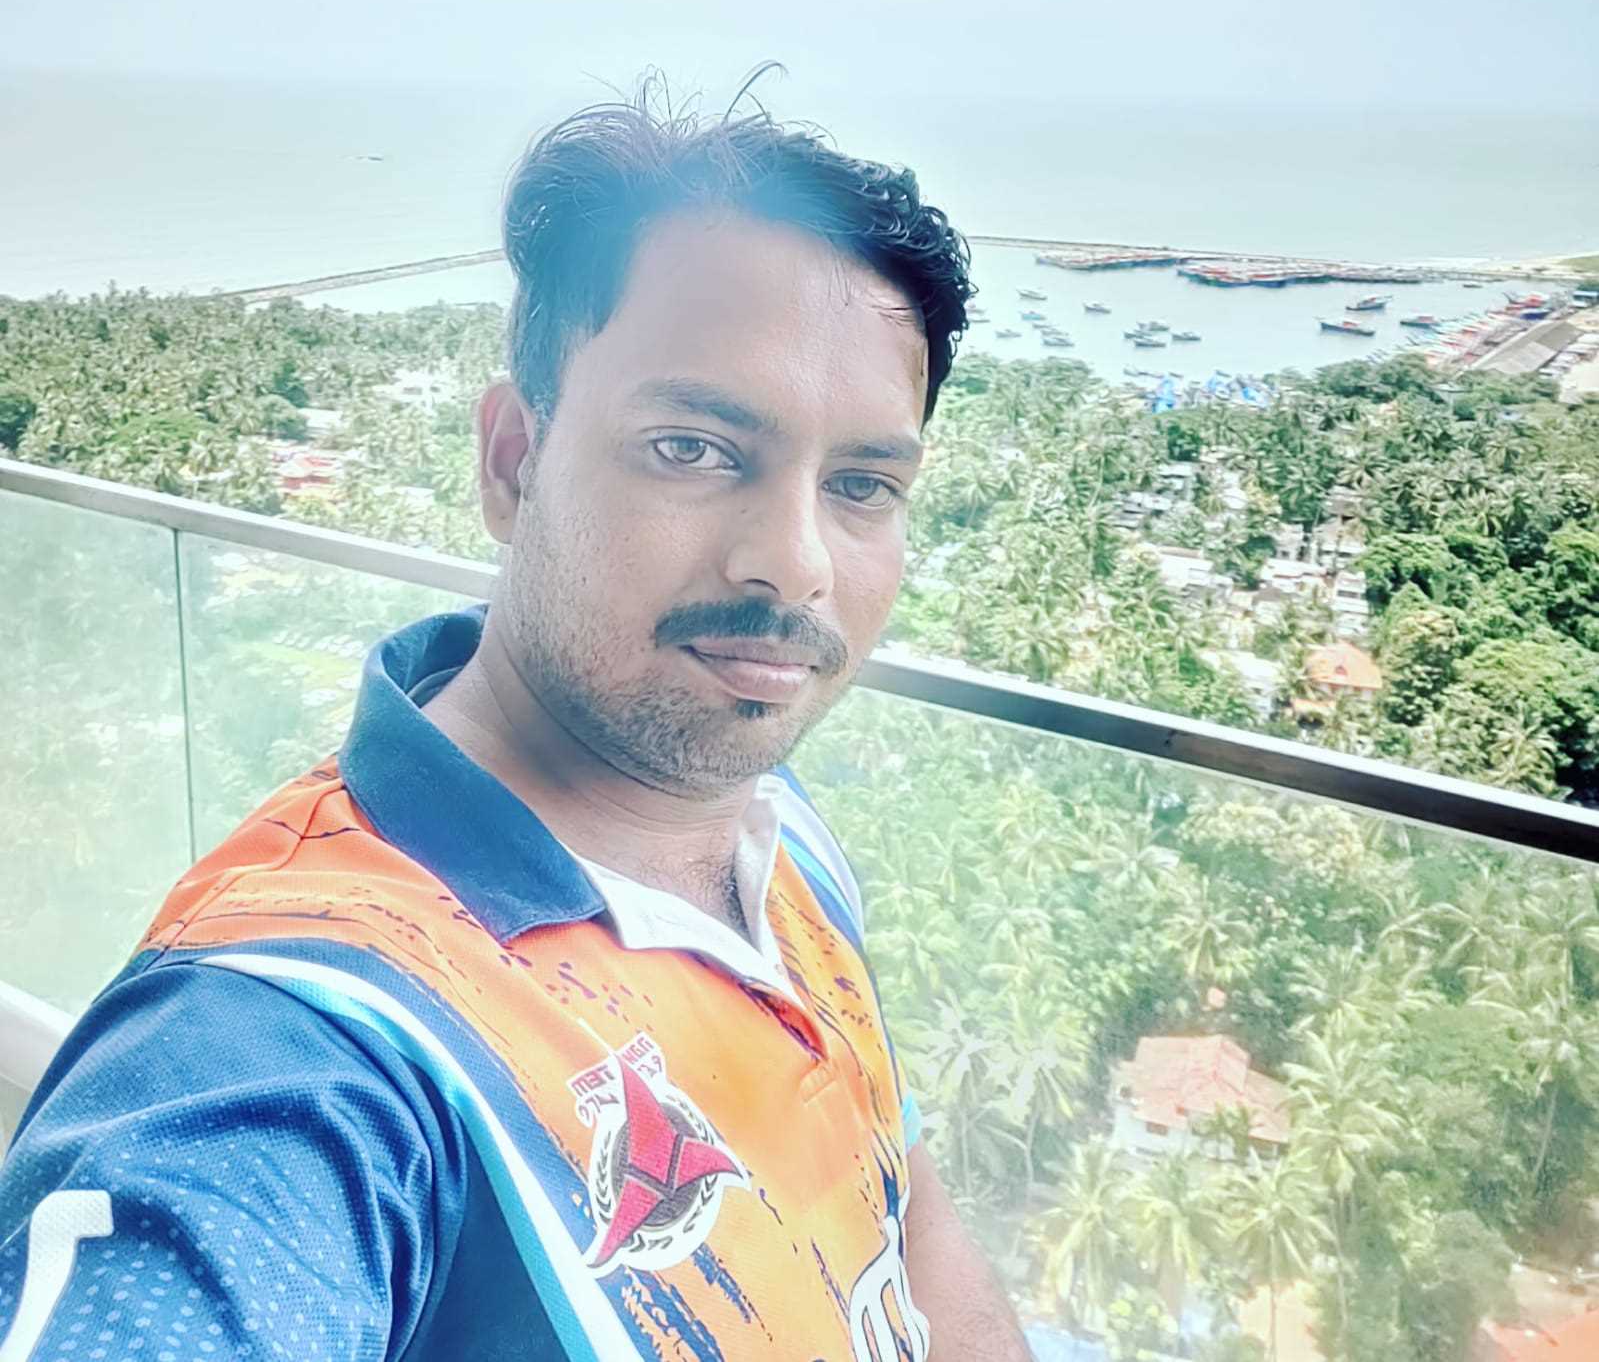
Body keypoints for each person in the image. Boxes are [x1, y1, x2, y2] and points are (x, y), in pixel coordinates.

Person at [0, 88, 1031, 1360]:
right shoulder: (293, 1044)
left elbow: (901, 1212)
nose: (796, 562)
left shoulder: (773, 829)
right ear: (511, 462)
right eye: (693, 448)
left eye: (863, 484)